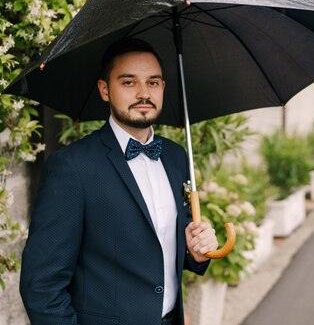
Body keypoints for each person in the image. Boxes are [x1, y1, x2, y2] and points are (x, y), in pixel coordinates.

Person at [20, 38, 219, 325]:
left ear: (163, 88)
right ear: (104, 89)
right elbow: (40, 285)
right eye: (128, 82)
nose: (143, 93)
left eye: (152, 82)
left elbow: (165, 249)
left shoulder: (176, 157)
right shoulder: (72, 167)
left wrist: (195, 252)